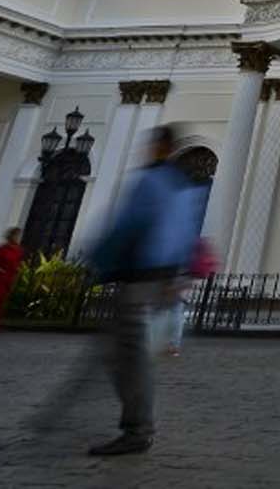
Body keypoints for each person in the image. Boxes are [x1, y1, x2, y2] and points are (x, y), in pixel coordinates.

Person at [86, 124, 209, 456]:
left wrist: (99, 263)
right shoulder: (182, 186)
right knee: (126, 351)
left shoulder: (151, 182)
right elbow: (188, 234)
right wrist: (179, 275)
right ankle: (137, 423)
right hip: (162, 278)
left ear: (160, 148)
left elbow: (129, 225)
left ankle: (137, 428)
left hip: (139, 277)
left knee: (126, 353)